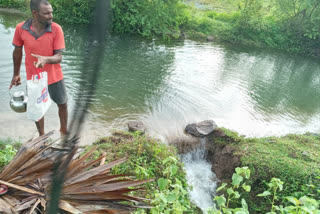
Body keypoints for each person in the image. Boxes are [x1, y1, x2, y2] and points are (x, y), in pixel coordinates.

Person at [9, 0, 68, 136]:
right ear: (35, 14)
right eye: (46, 13)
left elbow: (59, 57)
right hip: (34, 78)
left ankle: (64, 131)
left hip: (54, 76)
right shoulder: (21, 28)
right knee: (36, 109)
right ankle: (42, 136)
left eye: (51, 12)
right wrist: (16, 74)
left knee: (63, 104)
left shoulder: (56, 29)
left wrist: (45, 59)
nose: (51, 16)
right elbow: (17, 51)